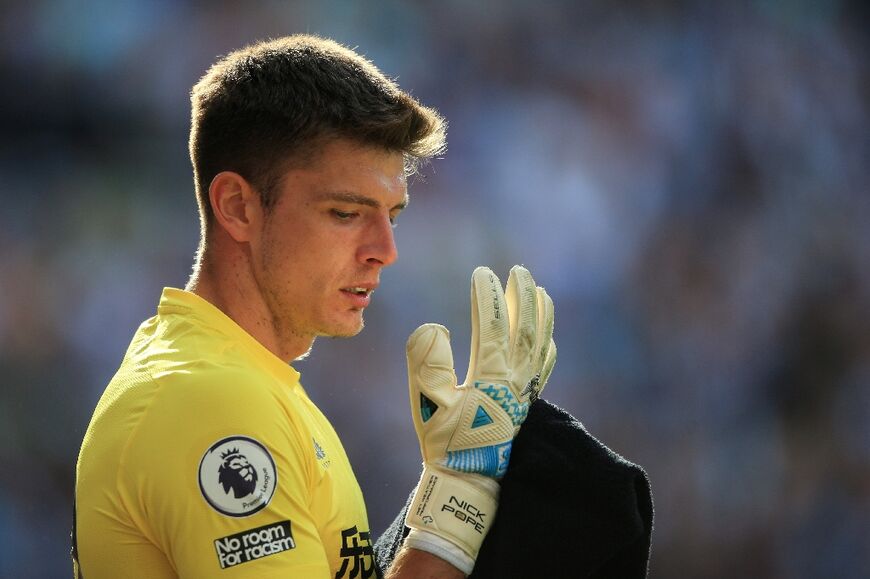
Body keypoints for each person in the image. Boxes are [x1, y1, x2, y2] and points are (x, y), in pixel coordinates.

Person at [73, 34, 556, 579]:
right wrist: (464, 493)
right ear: (237, 207)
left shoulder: (242, 381)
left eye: (392, 215)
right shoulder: (211, 398)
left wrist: (453, 490)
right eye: (346, 213)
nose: (386, 252)